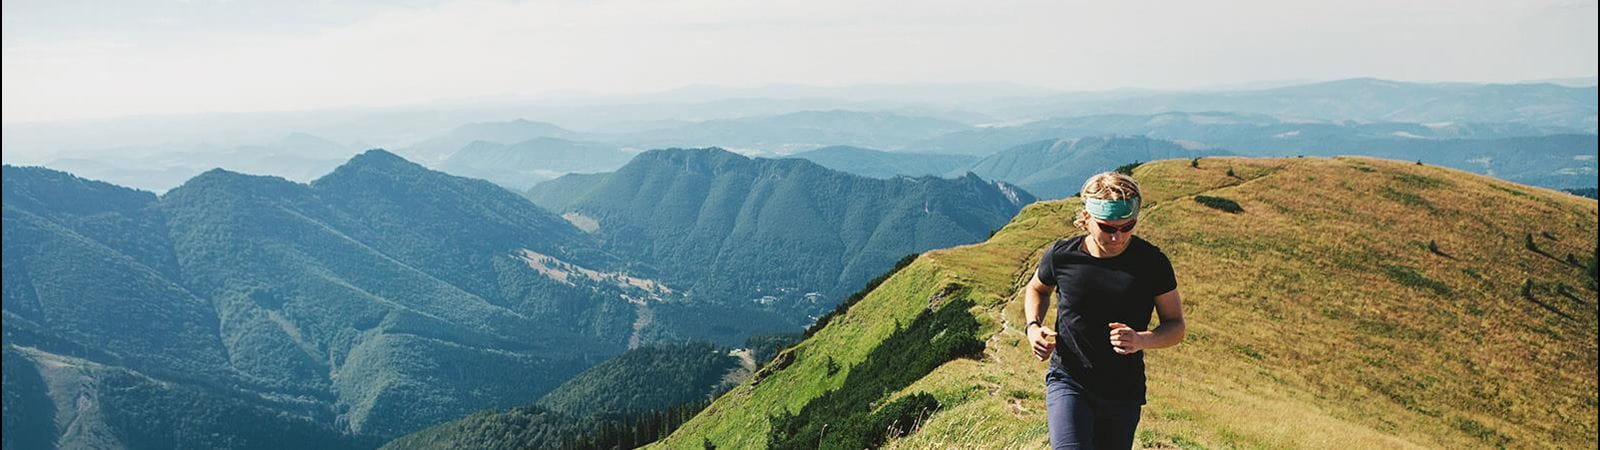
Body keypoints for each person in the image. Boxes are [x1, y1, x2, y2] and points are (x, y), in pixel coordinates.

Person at [1023, 171, 1187, 449]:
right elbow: (1037, 289)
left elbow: (1176, 326)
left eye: (1128, 226)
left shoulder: (1152, 263)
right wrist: (1033, 327)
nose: (1118, 237)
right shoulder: (1062, 256)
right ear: (1086, 219)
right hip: (1069, 379)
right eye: (1108, 228)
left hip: (1122, 392)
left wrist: (1141, 340)